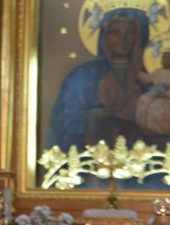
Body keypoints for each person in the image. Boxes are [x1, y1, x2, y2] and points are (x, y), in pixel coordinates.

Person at [47, 8, 150, 150]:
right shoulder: (82, 76)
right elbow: (66, 120)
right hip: (88, 157)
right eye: (116, 32)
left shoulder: (152, 80)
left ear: (140, 37)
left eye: (130, 32)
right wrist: (100, 115)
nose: (123, 39)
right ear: (104, 37)